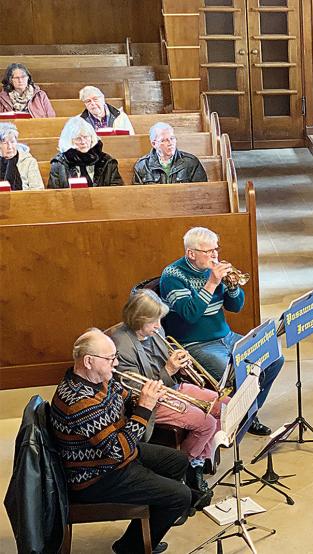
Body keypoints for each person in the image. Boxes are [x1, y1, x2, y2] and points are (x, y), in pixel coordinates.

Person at [50, 329, 193, 554]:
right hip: (96, 477)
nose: (115, 363)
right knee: (180, 497)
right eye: (110, 358)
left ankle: (138, 534)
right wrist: (144, 408)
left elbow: (124, 400)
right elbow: (119, 449)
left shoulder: (99, 379)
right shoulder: (80, 402)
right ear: (88, 361)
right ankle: (134, 548)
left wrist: (147, 397)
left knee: (178, 461)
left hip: (111, 458)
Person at [159, 227, 284, 436]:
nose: (215, 255)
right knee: (241, 376)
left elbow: (235, 307)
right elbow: (190, 314)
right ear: (191, 253)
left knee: (274, 359)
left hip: (225, 336)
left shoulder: (214, 269)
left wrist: (233, 286)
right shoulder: (172, 276)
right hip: (195, 344)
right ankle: (243, 417)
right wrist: (212, 283)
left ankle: (247, 414)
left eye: (216, 249)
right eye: (209, 251)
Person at [108, 289, 226, 496]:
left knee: (222, 405)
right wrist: (169, 370)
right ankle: (185, 465)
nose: (158, 327)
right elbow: (140, 392)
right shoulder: (121, 347)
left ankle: (199, 459)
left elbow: (163, 361)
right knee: (206, 423)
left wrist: (180, 362)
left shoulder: (154, 330)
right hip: (150, 402)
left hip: (170, 388)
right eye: (154, 322)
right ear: (138, 319)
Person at [47, 117, 123, 188]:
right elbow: (54, 195)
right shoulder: (59, 164)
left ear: (92, 137)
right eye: (78, 138)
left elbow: (117, 191)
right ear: (69, 140)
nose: (83, 142)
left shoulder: (107, 161)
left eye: (86, 137)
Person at [134, 122, 208, 184]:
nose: (170, 143)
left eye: (172, 138)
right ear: (154, 144)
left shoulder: (191, 162)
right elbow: (138, 195)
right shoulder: (142, 165)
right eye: (164, 140)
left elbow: (201, 191)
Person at [0, 122, 43, 190]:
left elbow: (38, 189)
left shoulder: (29, 161)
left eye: (12, 142)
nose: (10, 147)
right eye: (5, 143)